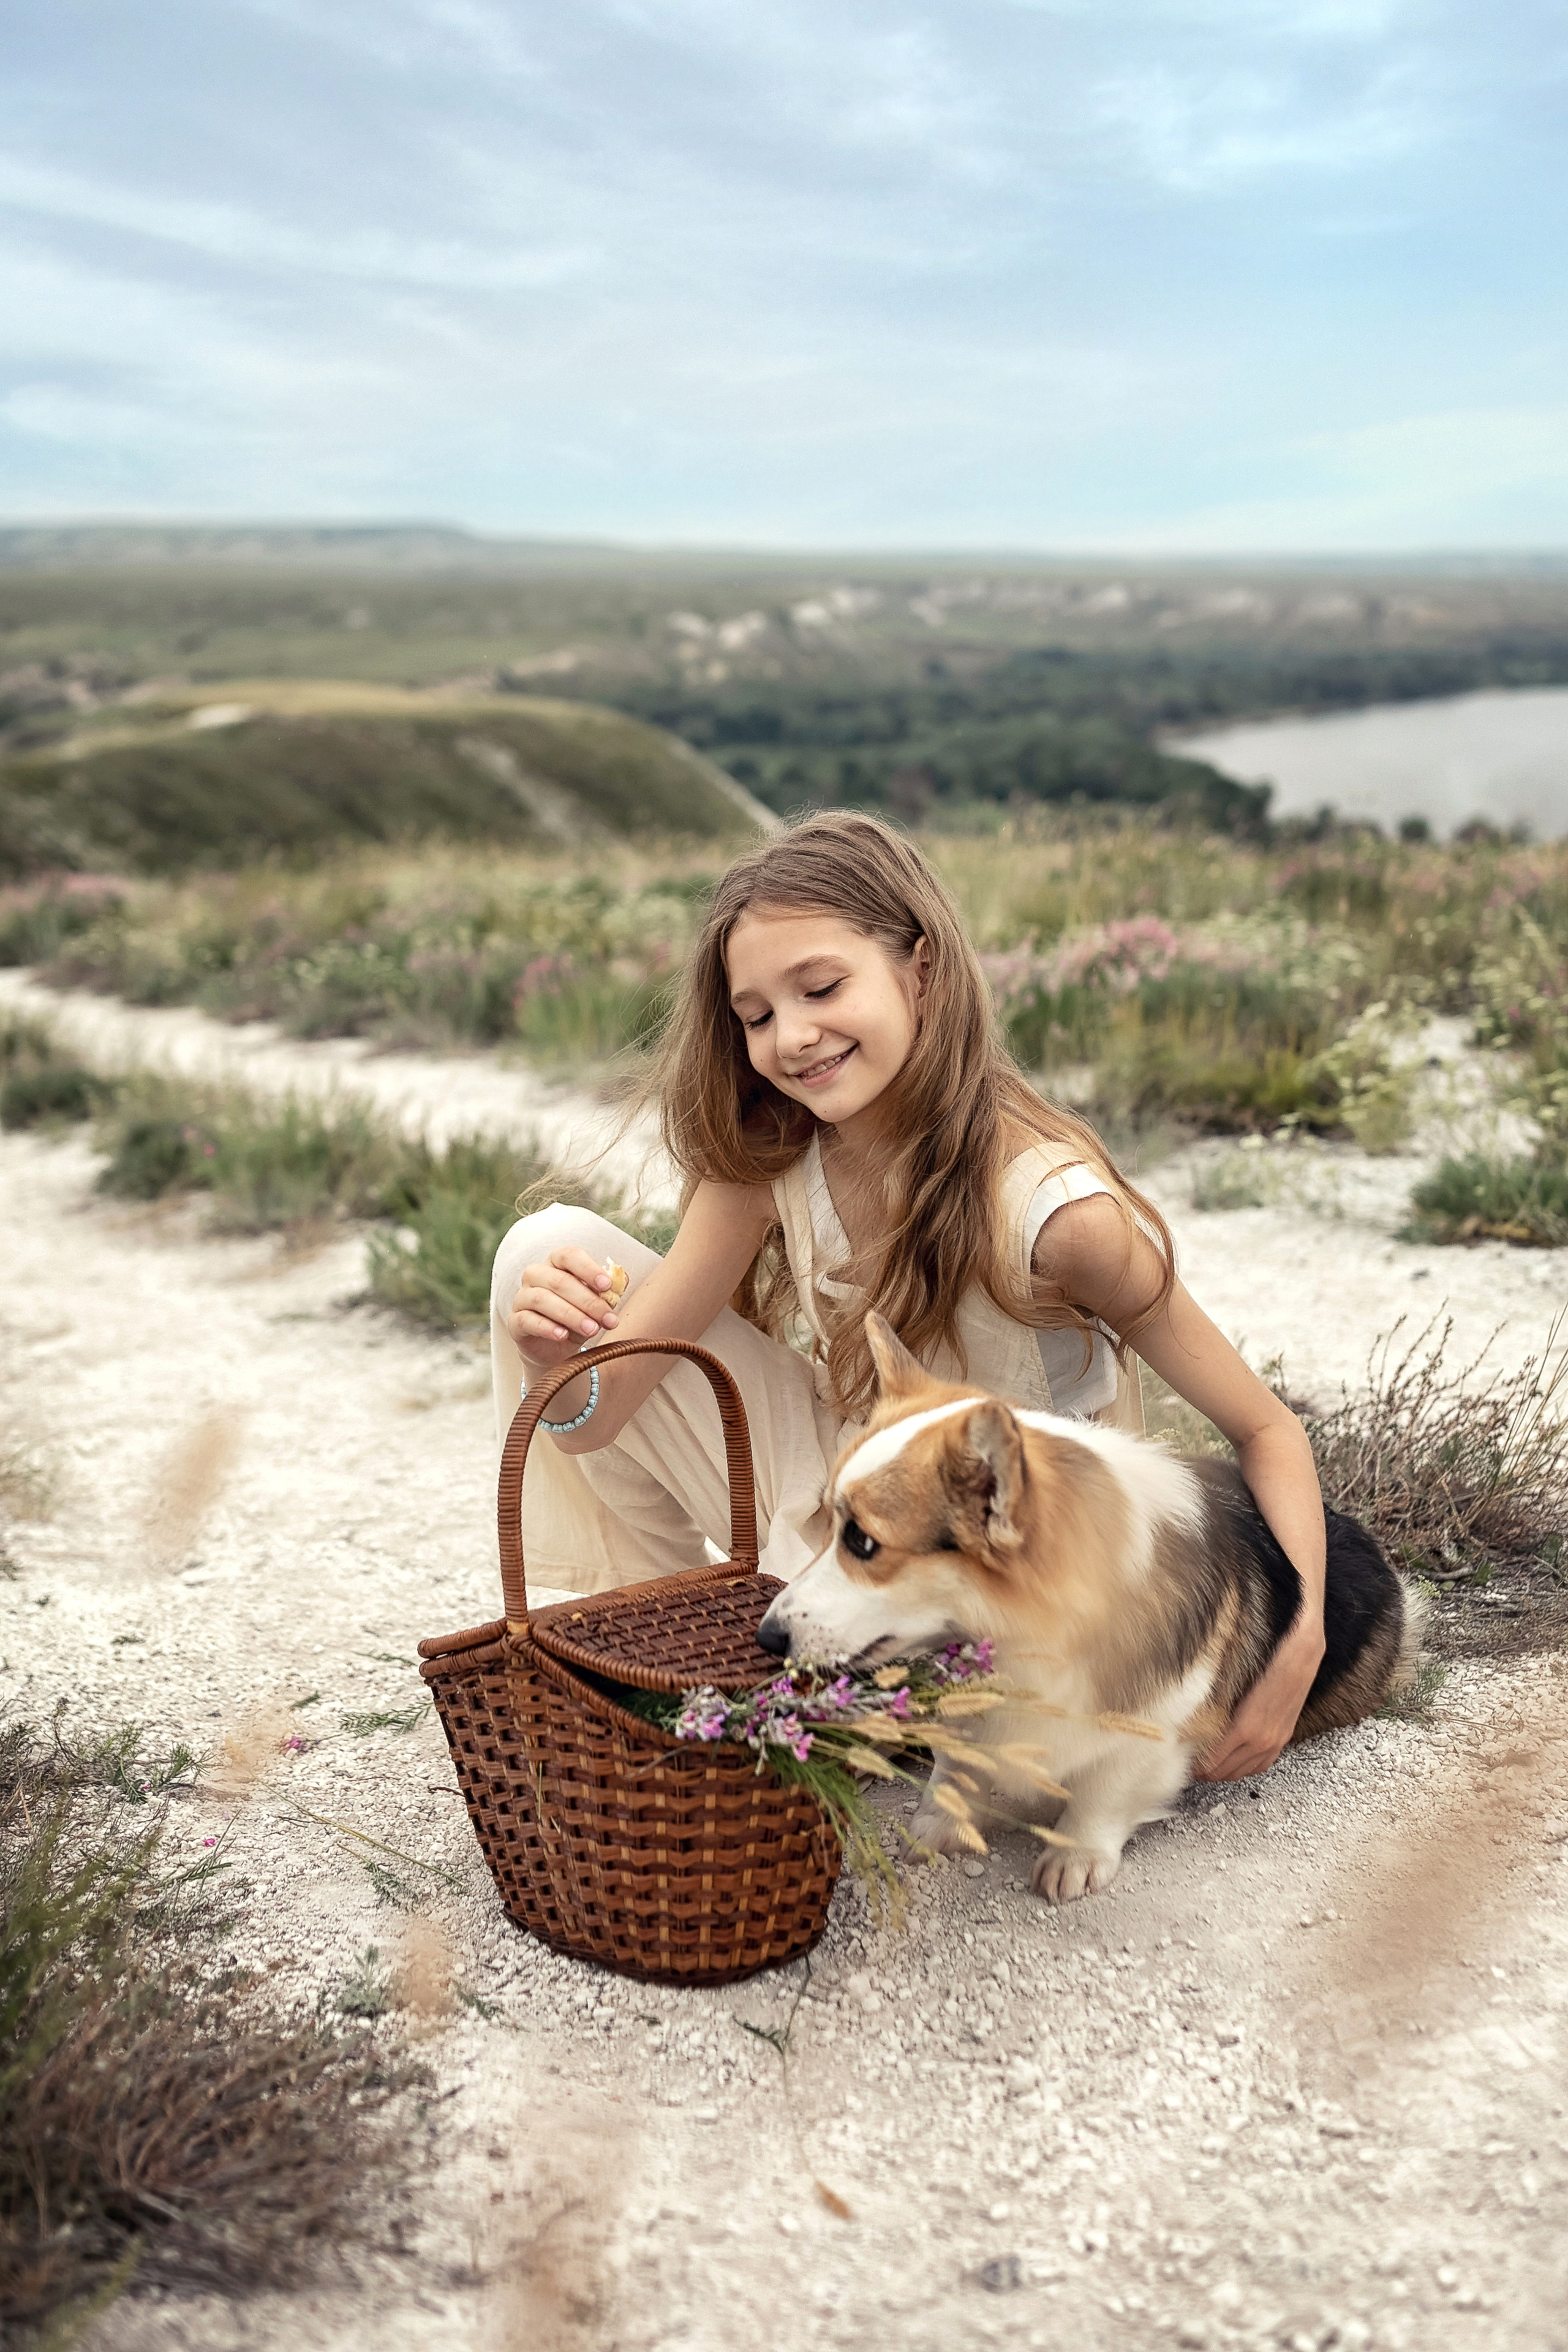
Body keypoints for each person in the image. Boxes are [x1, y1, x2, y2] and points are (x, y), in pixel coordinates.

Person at [491, 813, 1325, 1782]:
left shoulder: (1059, 1219)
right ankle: (670, 1654)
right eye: (755, 1016)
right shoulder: (774, 1151)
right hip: (849, 1511)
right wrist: (562, 1366)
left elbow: (1269, 1431)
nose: (791, 1038)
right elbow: (600, 1421)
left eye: (822, 987)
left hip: (1006, 1575)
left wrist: (1300, 1639)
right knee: (544, 1249)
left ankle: (861, 1692)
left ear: (920, 969)